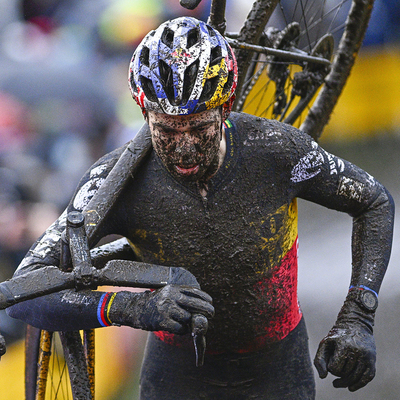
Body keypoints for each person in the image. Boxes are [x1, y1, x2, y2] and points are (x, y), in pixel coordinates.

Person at [8, 17, 394, 399]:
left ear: (225, 108)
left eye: (199, 126)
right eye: (167, 130)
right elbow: (25, 293)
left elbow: (374, 201)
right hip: (177, 377)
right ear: (145, 115)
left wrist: (357, 316)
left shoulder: (276, 150)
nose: (186, 146)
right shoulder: (113, 182)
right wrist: (133, 307)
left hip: (278, 369)